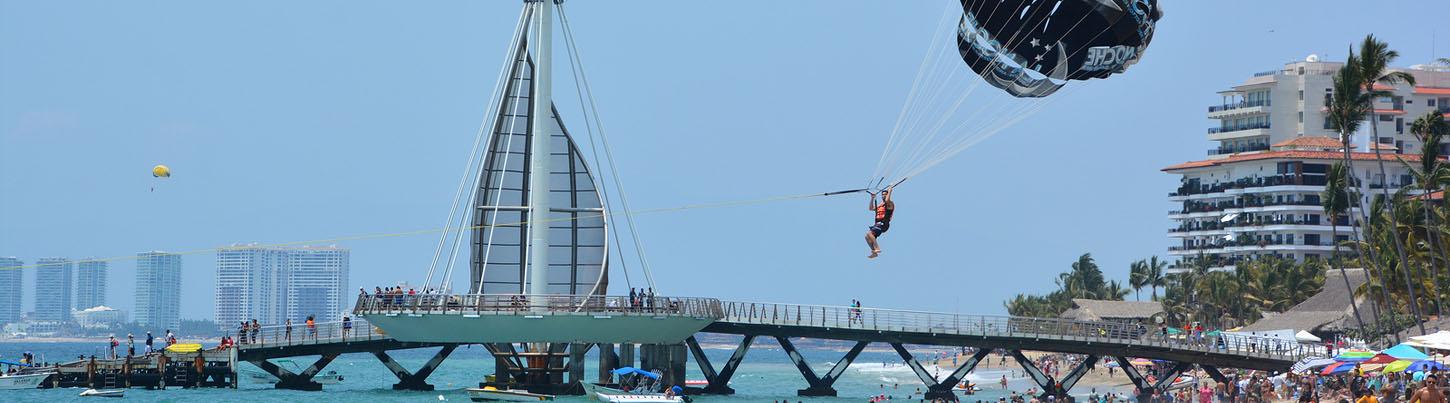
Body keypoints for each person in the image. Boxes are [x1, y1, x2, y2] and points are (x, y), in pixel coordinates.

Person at [865, 187, 895, 259]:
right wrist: (872, 198)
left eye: (885, 194)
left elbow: (887, 200)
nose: (883, 196)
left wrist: (890, 191)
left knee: (870, 233)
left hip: (884, 223)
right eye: (882, 195)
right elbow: (871, 208)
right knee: (867, 236)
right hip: (878, 224)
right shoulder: (881, 205)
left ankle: (877, 248)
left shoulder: (890, 203)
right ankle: (874, 251)